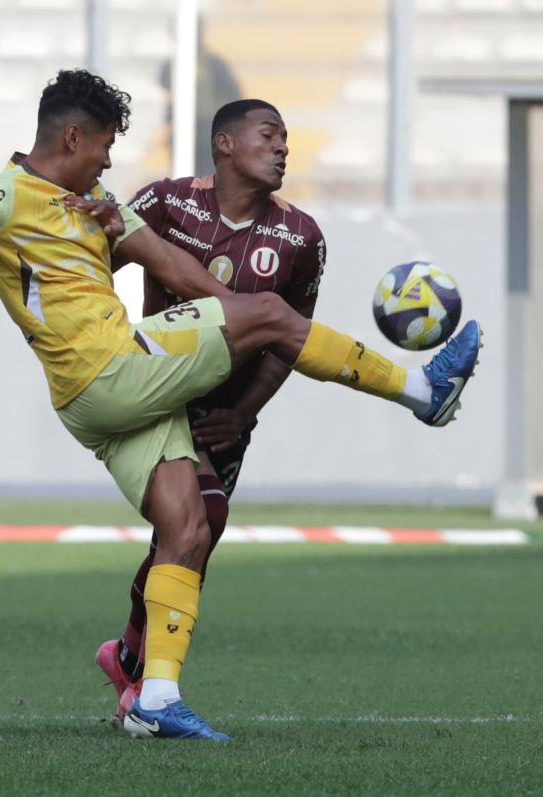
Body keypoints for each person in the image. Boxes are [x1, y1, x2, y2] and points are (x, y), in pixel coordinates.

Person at [0, 69, 481, 741]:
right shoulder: (6, 190)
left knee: (190, 526)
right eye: (104, 145)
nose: (110, 160)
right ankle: (424, 392)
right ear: (72, 136)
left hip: (98, 399)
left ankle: (153, 695)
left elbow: (170, 267)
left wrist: (232, 307)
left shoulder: (99, 198)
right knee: (273, 320)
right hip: (111, 365)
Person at [95, 99, 325, 721]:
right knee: (194, 524)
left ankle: (130, 659)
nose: (282, 148)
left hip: (225, 410)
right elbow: (92, 269)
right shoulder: (166, 203)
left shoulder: (301, 237)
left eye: (286, 138)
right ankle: (151, 688)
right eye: (269, 135)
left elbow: (291, 342)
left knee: (194, 535)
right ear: (225, 143)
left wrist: (245, 414)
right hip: (161, 391)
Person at [160, 15, 242, 176]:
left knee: (209, 177)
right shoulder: (172, 63)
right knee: (183, 180)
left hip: (208, 129)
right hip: (181, 128)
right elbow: (163, 85)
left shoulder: (212, 62)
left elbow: (234, 95)